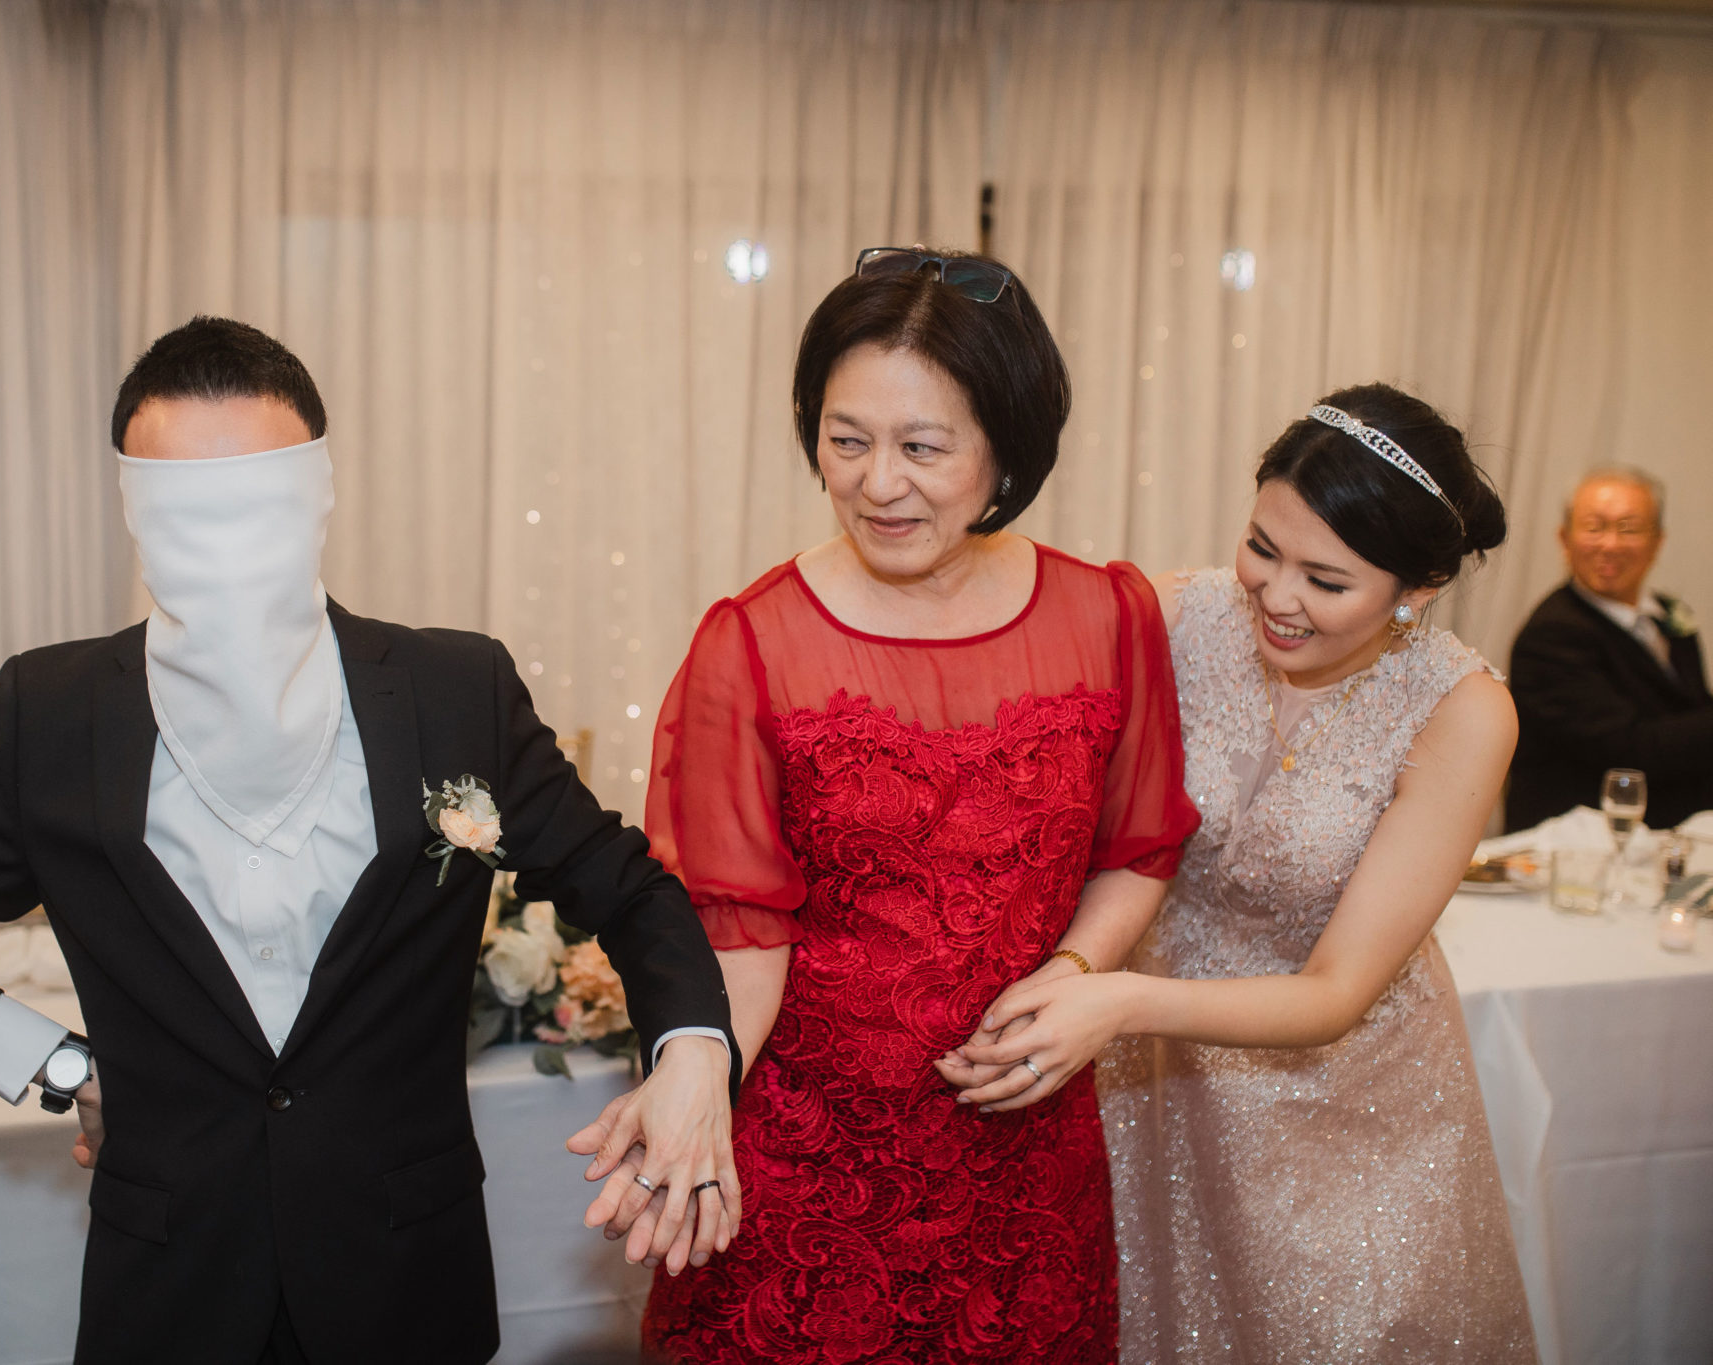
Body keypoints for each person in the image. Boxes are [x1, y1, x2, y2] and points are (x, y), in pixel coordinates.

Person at [0, 316, 740, 1365]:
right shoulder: (55, 710)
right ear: (132, 512)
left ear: (319, 496)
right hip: (171, 1287)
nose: (224, 550)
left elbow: (629, 891)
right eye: (185, 515)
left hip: (403, 1274)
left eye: (255, 506)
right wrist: (65, 1067)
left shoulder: (453, 690)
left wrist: (693, 1057)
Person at [593, 247, 1198, 1363]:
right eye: (845, 439)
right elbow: (738, 928)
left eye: (922, 447)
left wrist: (1072, 978)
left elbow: (1139, 847)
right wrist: (695, 1076)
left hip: (1025, 1143)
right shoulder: (752, 641)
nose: (877, 483)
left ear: (1006, 446)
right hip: (807, 1168)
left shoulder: (1107, 617)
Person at [943, 384, 1536, 1361]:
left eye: (1325, 579)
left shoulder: (1460, 711)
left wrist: (1117, 1003)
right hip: (1157, 1084)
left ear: (1415, 589)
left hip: (1348, 1103)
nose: (1275, 596)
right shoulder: (1176, 616)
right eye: (1260, 548)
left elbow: (1336, 990)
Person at [1505, 467, 1711, 832]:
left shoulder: (1670, 613)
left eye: (1628, 528)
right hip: (1577, 846)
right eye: (1595, 527)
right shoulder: (1552, 634)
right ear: (1564, 538)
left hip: (1675, 833)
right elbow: (1629, 749)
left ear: (1658, 541)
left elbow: (1692, 708)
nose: (1610, 544)